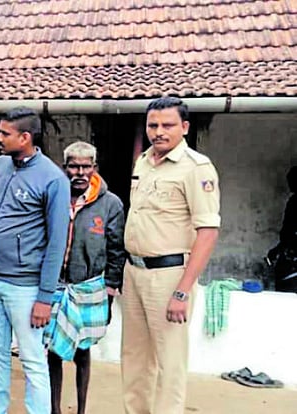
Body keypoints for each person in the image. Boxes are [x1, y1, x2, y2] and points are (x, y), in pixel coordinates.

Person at [0, 107, 71, 414]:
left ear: (25, 137)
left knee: (32, 358)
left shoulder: (53, 179)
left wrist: (44, 297)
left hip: (25, 287)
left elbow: (56, 243)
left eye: (5, 133)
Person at [122, 97, 220, 414]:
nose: (159, 132)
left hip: (169, 276)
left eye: (168, 125)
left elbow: (208, 232)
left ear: (185, 127)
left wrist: (182, 290)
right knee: (135, 359)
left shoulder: (196, 168)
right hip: (134, 270)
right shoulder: (143, 161)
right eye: (153, 125)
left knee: (169, 362)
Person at [45, 141, 126, 414]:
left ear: (94, 168)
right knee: (53, 351)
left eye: (85, 166)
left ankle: (81, 409)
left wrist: (111, 289)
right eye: (73, 166)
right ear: (64, 167)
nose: (79, 173)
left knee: (83, 350)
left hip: (89, 287)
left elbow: (116, 250)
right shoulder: (54, 197)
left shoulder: (110, 204)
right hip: (56, 285)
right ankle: (55, 409)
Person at [267, 166, 297, 293]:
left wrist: (280, 249)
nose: (289, 185)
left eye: (292, 181)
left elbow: (291, 232)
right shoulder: (293, 201)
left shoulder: (295, 202)